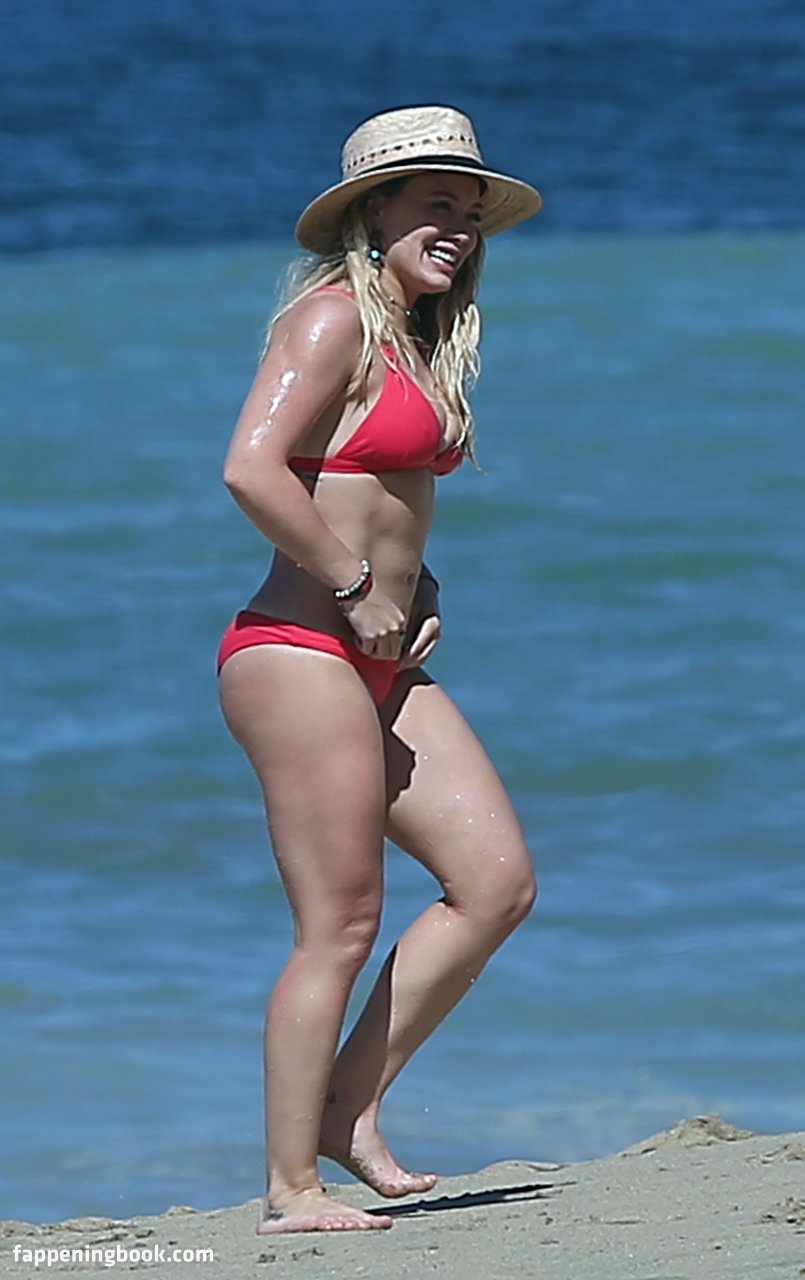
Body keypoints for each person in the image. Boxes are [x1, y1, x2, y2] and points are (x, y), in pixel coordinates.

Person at [218, 105, 542, 1235]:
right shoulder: (328, 319)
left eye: (469, 210)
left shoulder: (412, 335)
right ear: (372, 215)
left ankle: (346, 1108)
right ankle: (289, 1189)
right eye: (432, 204)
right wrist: (356, 584)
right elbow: (252, 468)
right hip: (298, 652)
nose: (456, 226)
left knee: (494, 881)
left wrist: (417, 586)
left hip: (383, 658)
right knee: (340, 924)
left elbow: (383, 497)